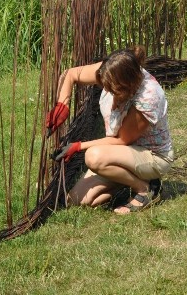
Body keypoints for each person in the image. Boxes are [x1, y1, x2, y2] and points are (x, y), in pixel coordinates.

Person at [45, 46, 173, 214]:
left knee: (93, 157)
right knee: (75, 200)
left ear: (125, 86)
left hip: (151, 155)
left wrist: (77, 147)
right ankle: (126, 178)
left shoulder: (148, 97)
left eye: (110, 88)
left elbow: (121, 140)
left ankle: (145, 188)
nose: (104, 89)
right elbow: (71, 74)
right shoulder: (113, 70)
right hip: (120, 153)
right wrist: (63, 104)